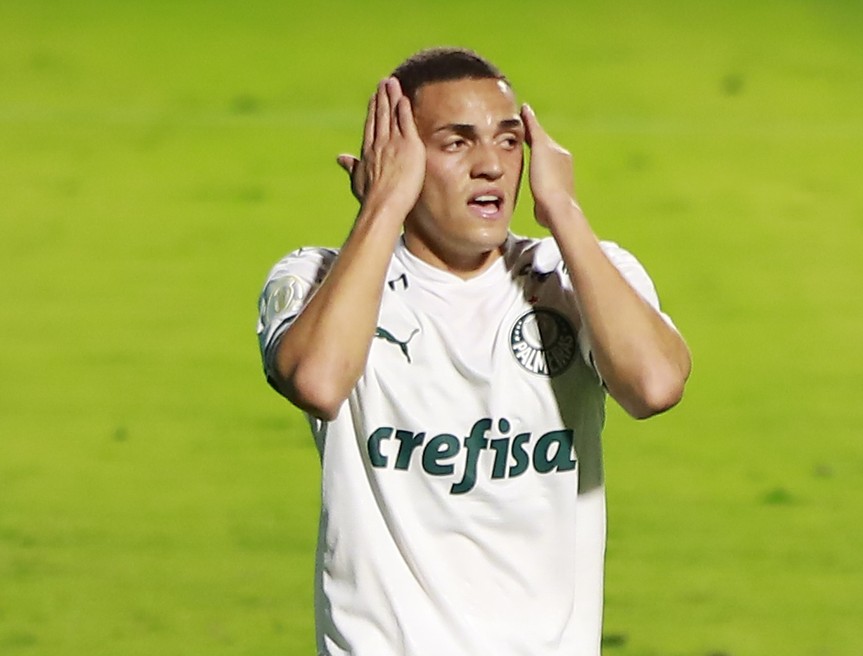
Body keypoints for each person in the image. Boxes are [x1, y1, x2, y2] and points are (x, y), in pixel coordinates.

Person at [256, 46, 691, 656]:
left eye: (509, 141)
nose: (490, 165)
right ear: (397, 157)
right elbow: (319, 382)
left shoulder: (576, 275)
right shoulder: (315, 280)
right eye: (457, 143)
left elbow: (655, 386)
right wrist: (383, 207)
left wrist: (564, 213)